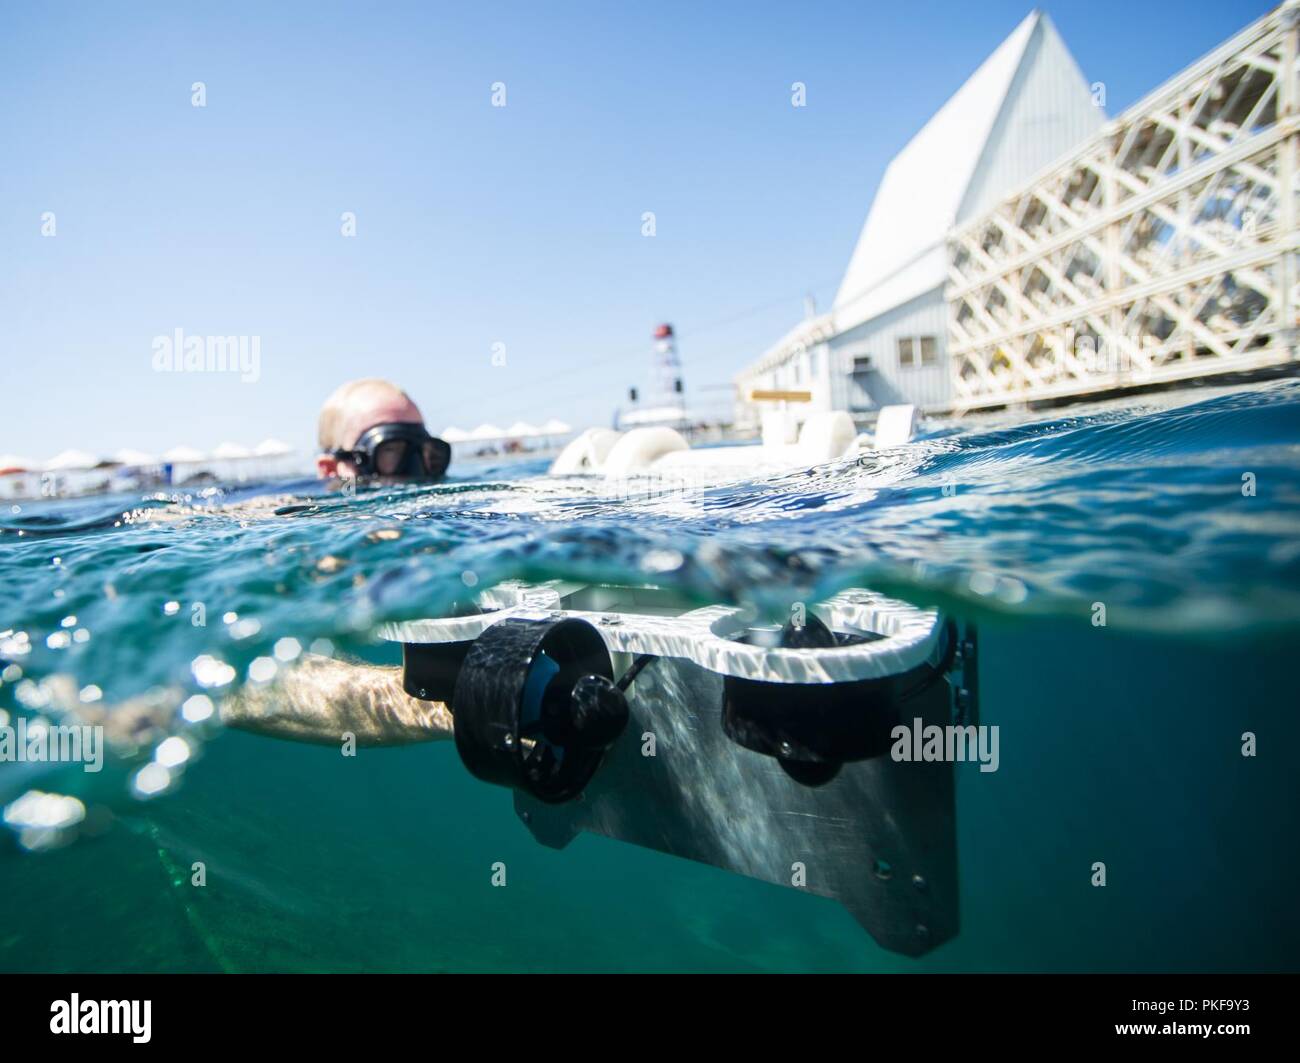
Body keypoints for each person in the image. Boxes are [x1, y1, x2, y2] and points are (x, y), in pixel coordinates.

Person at [220, 379, 454, 747]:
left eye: (428, 455)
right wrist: (463, 705)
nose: (416, 472)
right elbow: (229, 672)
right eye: (392, 449)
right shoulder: (286, 530)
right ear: (332, 470)